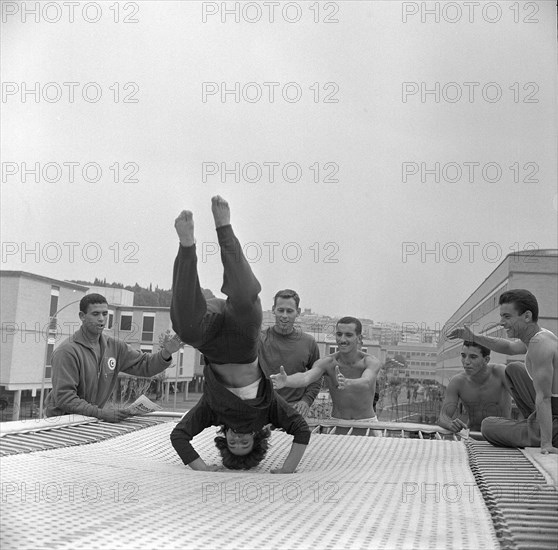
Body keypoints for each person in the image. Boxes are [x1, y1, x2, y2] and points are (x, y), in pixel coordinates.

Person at [169, 197, 310, 472]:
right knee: (246, 298)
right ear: (257, 438)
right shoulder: (270, 409)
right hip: (244, 345)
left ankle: (186, 246)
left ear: (223, 439)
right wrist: (287, 469)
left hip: (212, 345)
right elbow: (301, 430)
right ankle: (224, 227)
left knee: (184, 327)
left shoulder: (210, 412)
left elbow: (179, 436)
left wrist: (201, 467)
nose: (237, 438)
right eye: (244, 443)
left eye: (232, 442)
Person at [448, 289, 558, 454]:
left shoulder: (541, 346)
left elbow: (544, 398)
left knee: (488, 425)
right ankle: (535, 426)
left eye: (507, 317)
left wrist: (547, 444)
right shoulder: (540, 336)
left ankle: (543, 435)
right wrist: (474, 337)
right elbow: (508, 347)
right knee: (514, 370)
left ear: (527, 316)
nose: (501, 322)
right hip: (551, 413)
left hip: (555, 420)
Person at [44, 293, 181, 422]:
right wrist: (101, 413)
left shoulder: (114, 346)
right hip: (61, 423)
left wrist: (166, 353)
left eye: (105, 313)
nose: (101, 319)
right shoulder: (67, 352)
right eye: (95, 314)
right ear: (82, 316)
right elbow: (65, 398)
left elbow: (145, 365)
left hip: (89, 420)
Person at [271, 316, 382, 422]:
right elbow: (306, 377)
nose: (342, 339)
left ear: (359, 338)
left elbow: (367, 381)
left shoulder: (370, 362)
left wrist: (348, 382)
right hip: (338, 423)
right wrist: (287, 381)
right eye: (339, 334)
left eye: (348, 335)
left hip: (367, 422)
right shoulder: (328, 363)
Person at [258, 289, 321, 416]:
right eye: (281, 310)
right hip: (263, 411)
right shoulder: (259, 340)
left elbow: (317, 376)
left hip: (294, 412)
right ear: (273, 310)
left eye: (290, 311)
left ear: (298, 312)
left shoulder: (309, 342)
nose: (284, 316)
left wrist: (306, 401)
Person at [437, 341, 511, 433]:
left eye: (473, 357)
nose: (466, 362)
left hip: (501, 438)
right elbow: (443, 416)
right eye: (463, 356)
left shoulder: (500, 373)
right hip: (473, 435)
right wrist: (449, 423)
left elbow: (524, 401)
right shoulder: (457, 382)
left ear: (486, 360)